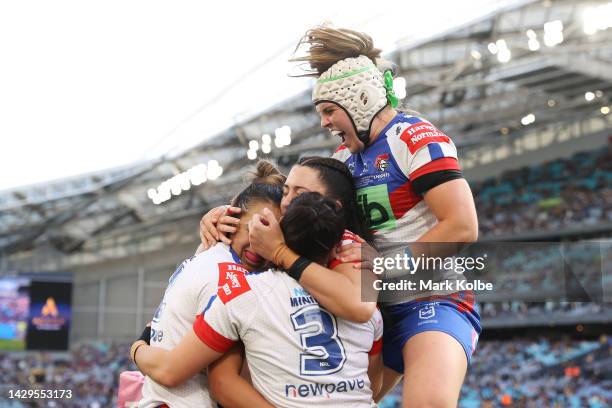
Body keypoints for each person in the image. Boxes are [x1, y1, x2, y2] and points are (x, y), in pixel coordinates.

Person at [282, 25, 482, 407]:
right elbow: (294, 205)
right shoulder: (342, 161)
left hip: (433, 299)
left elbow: (462, 225)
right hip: (372, 312)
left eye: (328, 111)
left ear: (359, 100)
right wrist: (227, 216)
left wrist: (384, 268)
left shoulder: (414, 137)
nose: (323, 122)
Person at [131, 192, 384, 408]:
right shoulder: (372, 307)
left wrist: (138, 347)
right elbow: (374, 385)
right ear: (337, 246)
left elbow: (213, 382)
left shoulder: (243, 292)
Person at [137, 161, 284, 408]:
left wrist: (138, 348)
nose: (259, 244)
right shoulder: (231, 277)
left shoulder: (207, 256)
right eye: (253, 229)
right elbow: (220, 383)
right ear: (232, 219)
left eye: (270, 236)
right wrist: (138, 349)